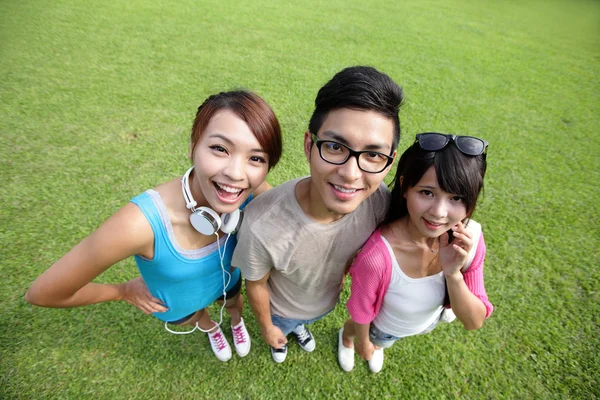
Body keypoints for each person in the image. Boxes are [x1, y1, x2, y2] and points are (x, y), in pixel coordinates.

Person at [25, 90, 283, 362]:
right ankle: (212, 328)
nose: (236, 173)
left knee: (234, 303)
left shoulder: (250, 190)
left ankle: (234, 322)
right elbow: (43, 292)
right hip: (178, 302)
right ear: (193, 145)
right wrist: (121, 291)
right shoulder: (139, 223)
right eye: (220, 148)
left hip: (227, 280)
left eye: (256, 158)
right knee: (198, 317)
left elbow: (289, 213)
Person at [231, 66, 404, 363]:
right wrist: (267, 326)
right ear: (309, 145)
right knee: (285, 327)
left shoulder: (379, 202)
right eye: (336, 147)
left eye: (373, 155)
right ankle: (284, 335)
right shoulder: (260, 225)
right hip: (282, 310)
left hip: (326, 303)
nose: (351, 174)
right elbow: (255, 284)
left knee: (304, 322)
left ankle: (300, 328)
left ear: (389, 163)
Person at [338, 132, 494, 373]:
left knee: (387, 339)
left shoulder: (470, 240)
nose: (439, 212)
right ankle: (345, 339)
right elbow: (361, 310)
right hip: (383, 326)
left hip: (424, 322)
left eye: (456, 197)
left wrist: (453, 273)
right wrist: (364, 341)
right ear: (404, 187)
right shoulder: (377, 257)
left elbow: (474, 321)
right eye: (427, 193)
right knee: (366, 333)